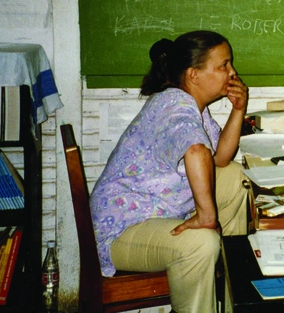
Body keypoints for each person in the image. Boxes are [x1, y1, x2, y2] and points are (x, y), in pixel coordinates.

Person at [90, 30, 249, 313]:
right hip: (123, 228)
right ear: (194, 75)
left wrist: (238, 109)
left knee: (236, 178)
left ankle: (231, 300)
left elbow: (220, 160)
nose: (232, 72)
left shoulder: (192, 106)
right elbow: (196, 152)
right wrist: (207, 218)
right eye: (223, 65)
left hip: (155, 211)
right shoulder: (174, 105)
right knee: (201, 241)